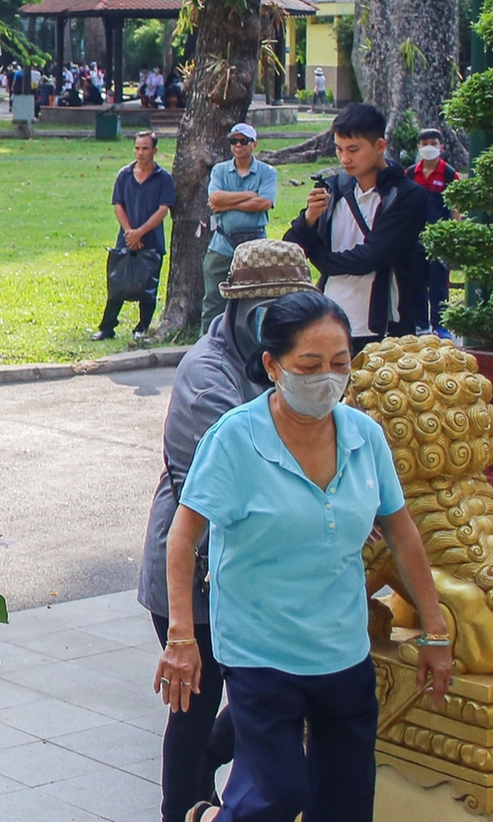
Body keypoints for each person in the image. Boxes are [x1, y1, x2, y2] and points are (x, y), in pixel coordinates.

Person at [157, 290, 452, 822]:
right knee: (276, 794)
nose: (327, 378)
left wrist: (434, 629)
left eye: (340, 363)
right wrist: (181, 638)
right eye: (309, 365)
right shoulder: (235, 440)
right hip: (259, 649)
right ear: (273, 366)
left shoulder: (365, 437)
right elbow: (182, 539)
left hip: (341, 649)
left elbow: (403, 533)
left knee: (345, 801)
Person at [139, 241, 317, 822]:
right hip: (195, 566)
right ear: (241, 309)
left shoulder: (283, 363)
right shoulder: (208, 374)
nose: (287, 332)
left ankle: (206, 781)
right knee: (196, 699)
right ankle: (181, 807)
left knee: (267, 686)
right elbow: (255, 477)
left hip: (254, 566)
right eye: (274, 316)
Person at [284, 102, 429, 353]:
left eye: (353, 149)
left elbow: (372, 256)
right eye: (339, 149)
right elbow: (292, 248)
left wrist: (322, 260)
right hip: (330, 320)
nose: (344, 158)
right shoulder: (332, 189)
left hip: (384, 326)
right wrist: (309, 217)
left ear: (379, 146)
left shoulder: (406, 196)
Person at [93, 131, 174, 341]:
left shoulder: (163, 178)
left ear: (154, 150)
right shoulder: (124, 174)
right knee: (117, 284)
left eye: (145, 148)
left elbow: (163, 210)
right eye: (137, 148)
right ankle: (107, 327)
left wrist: (141, 232)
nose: (140, 152)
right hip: (126, 240)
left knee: (147, 287)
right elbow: (118, 204)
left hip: (152, 240)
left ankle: (142, 327)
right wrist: (130, 232)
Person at [202, 123, 279, 325]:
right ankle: (206, 343)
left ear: (254, 144)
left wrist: (228, 203)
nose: (238, 145)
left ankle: (253, 344)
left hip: (255, 242)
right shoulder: (219, 170)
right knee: (213, 297)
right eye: (233, 141)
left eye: (243, 141)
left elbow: (264, 202)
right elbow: (215, 199)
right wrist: (248, 196)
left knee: (256, 298)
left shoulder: (267, 172)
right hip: (222, 242)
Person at [408, 127, 462, 333]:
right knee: (417, 283)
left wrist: (455, 235)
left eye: (433, 143)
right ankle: (420, 323)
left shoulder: (449, 174)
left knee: (439, 285)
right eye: (425, 143)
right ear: (419, 147)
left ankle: (440, 325)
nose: (429, 147)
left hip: (439, 240)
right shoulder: (411, 173)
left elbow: (455, 207)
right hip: (415, 238)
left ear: (442, 147)